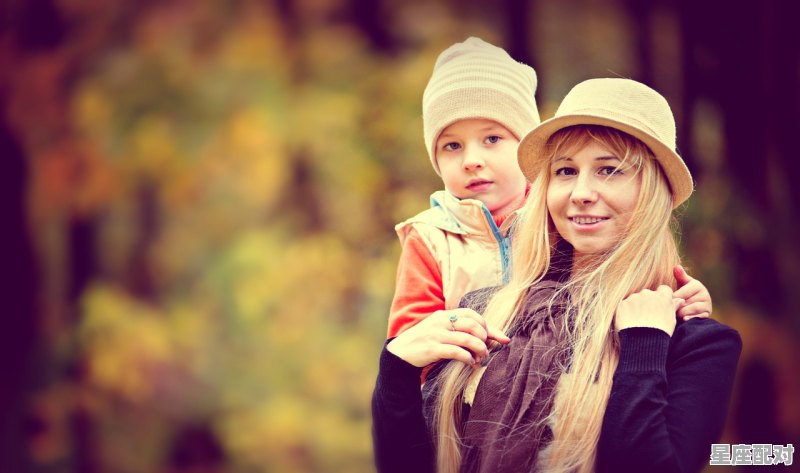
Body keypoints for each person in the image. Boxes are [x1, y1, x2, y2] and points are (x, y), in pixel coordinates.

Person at [373, 78, 741, 473]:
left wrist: (644, 347)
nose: (581, 191)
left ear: (654, 191)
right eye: (566, 171)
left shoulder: (695, 344)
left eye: (609, 170)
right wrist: (397, 371)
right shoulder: (486, 313)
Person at [386, 37, 711, 341]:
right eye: (452, 146)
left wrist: (683, 297)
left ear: (527, 148)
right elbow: (410, 339)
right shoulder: (430, 237)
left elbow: (627, 266)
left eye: (492, 139)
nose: (472, 160)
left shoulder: (560, 216)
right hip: (461, 381)